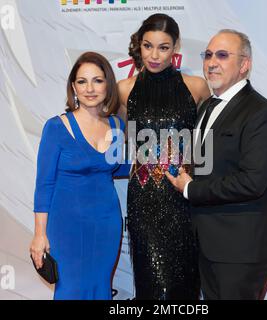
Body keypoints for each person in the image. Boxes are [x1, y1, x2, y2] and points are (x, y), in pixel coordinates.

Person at [166, 29, 267, 300]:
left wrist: (190, 188)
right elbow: (213, 163)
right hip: (207, 244)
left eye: (222, 55)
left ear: (244, 65)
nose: (211, 62)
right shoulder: (207, 106)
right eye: (208, 55)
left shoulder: (262, 113)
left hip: (240, 250)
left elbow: (252, 181)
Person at [117, 13, 211, 299]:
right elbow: (126, 140)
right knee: (151, 284)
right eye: (148, 46)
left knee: (183, 284)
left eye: (163, 47)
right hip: (143, 201)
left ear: (175, 48)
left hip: (182, 199)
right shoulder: (124, 90)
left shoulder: (197, 87)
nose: (154, 55)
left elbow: (205, 144)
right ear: (140, 45)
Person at [30, 52, 125, 300]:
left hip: (107, 223)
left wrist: (168, 155)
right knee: (70, 290)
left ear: (108, 85)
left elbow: (123, 168)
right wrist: (40, 235)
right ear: (73, 87)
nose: (90, 88)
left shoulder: (117, 126)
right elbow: (44, 185)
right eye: (82, 81)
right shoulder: (56, 127)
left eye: (97, 80)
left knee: (100, 287)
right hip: (66, 227)